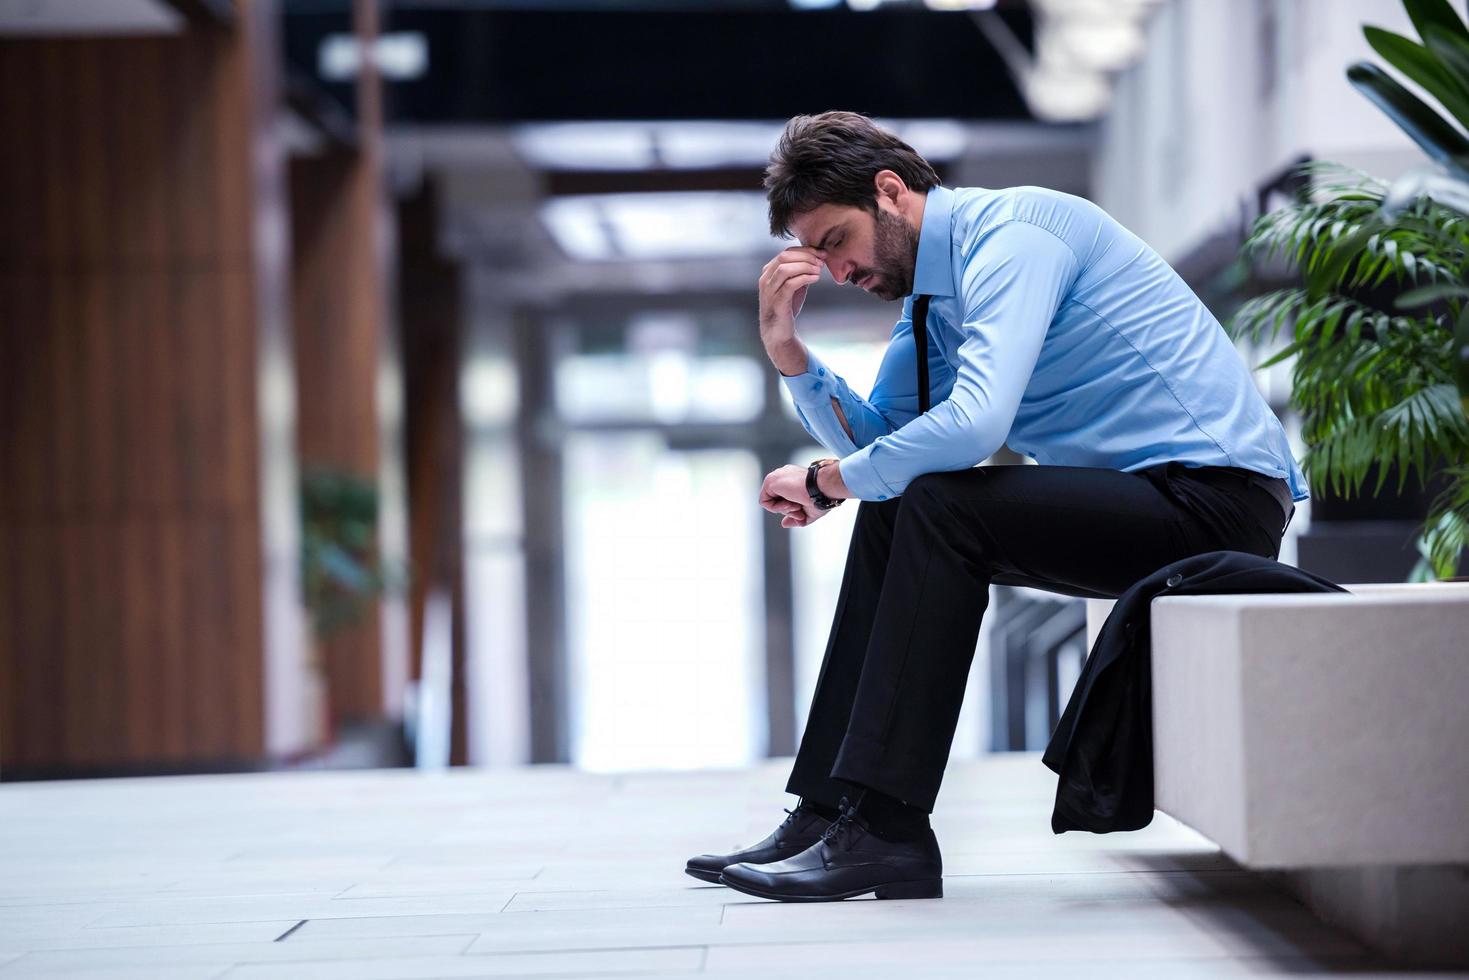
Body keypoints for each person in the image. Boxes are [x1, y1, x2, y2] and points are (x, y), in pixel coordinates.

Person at [685, 111, 1306, 903]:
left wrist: (828, 481)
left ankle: (888, 829)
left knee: (940, 504)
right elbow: (890, 444)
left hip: (1214, 501)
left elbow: (973, 424)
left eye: (837, 241)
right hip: (1139, 503)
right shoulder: (929, 300)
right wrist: (791, 359)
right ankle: (831, 810)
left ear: (889, 193)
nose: (836, 271)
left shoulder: (1015, 234)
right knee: (906, 501)